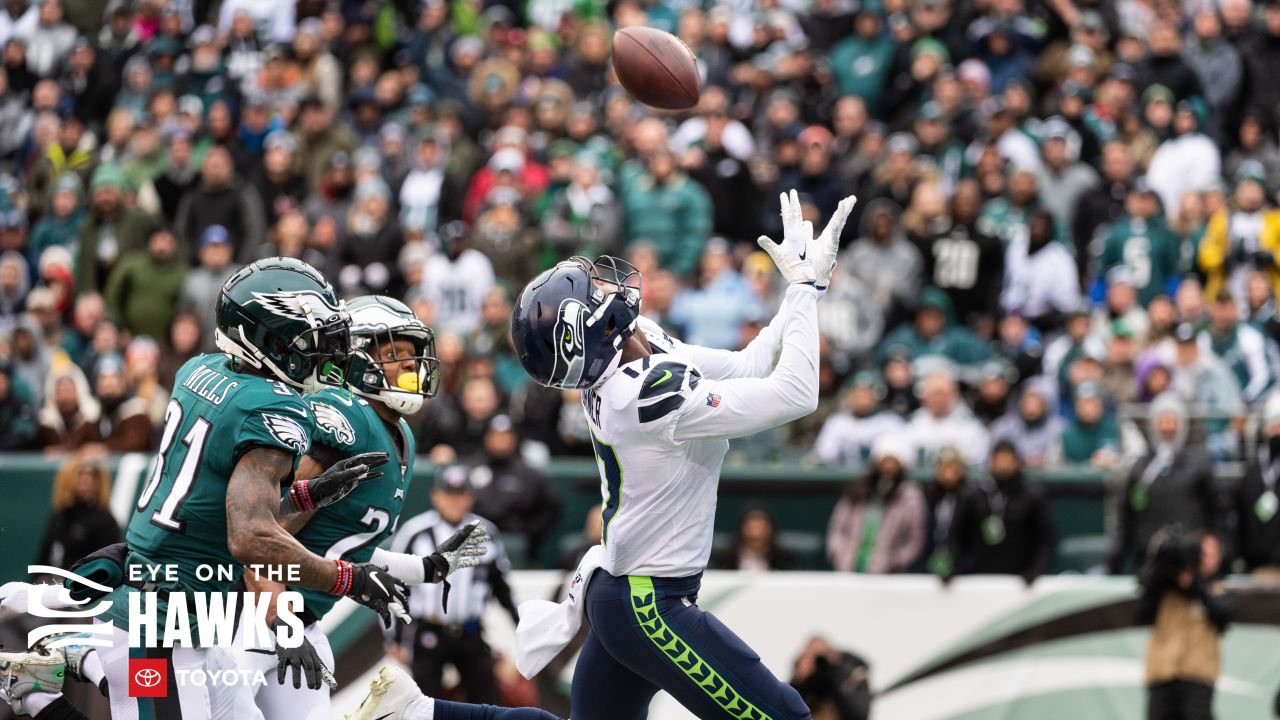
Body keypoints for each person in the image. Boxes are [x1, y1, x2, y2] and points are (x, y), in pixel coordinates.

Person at [0, 258, 412, 720]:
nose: (322, 353)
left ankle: (74, 654)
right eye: (309, 338)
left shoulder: (202, 368)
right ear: (269, 337)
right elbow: (250, 537)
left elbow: (222, 503)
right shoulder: (272, 408)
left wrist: (307, 496)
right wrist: (347, 577)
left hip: (183, 606)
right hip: (163, 624)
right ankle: (37, 692)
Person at [503, 190, 854, 720]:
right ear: (589, 332)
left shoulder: (635, 346)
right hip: (649, 604)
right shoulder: (642, 395)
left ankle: (420, 712)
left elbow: (749, 365)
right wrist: (803, 293)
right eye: (594, 292)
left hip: (626, 593)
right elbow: (797, 393)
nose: (608, 286)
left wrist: (804, 290)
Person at [233, 295, 490, 719]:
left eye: (412, 356)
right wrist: (279, 619)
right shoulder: (346, 417)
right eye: (394, 354)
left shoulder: (401, 436)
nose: (410, 367)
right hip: (240, 613)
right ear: (354, 359)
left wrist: (428, 569)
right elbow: (259, 532)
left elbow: (346, 549)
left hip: (298, 621)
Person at [390, 465, 518, 705]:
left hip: (471, 632)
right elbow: (394, 587)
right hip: (428, 631)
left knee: (487, 704)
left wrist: (521, 631)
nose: (454, 501)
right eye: (449, 494)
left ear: (470, 497)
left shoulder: (486, 532)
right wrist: (394, 638)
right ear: (435, 496)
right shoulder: (415, 532)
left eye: (461, 495)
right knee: (426, 707)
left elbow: (503, 586)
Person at [1109, 393, 1228, 574]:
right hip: (1149, 558)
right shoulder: (1140, 467)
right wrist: (1119, 556)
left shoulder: (1199, 463)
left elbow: (1217, 509)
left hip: (1190, 559)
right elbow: (1127, 513)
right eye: (1162, 420)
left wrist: (1215, 544)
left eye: (1172, 420)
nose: (1167, 426)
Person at [1139, 527, 1231, 720]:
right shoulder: (1164, 588)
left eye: (1211, 554)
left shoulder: (1218, 589)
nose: (1204, 559)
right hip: (1162, 674)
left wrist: (1194, 584)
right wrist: (1159, 570)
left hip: (1198, 676)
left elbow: (1223, 616)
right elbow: (1142, 614)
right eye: (1202, 553)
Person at [951, 441, 1054, 584]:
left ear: (1017, 462)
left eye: (1007, 461)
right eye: (998, 460)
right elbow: (958, 534)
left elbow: (1045, 539)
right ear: (990, 462)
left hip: (1020, 576)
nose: (1003, 466)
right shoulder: (974, 495)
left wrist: (1035, 570)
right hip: (978, 575)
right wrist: (955, 567)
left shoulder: (1033, 496)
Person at [469, 414, 562, 566]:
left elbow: (551, 508)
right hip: (476, 542)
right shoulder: (471, 468)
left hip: (516, 542)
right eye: (495, 435)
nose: (500, 440)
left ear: (514, 438)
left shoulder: (529, 474)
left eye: (505, 436)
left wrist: (528, 534)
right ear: (486, 437)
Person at [825, 434, 926, 574]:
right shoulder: (857, 489)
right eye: (885, 461)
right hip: (848, 569)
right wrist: (841, 556)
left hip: (888, 575)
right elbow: (838, 528)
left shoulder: (911, 497)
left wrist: (892, 562)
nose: (888, 467)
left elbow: (914, 540)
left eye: (893, 462)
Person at [34, 455, 120, 570]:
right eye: (81, 478)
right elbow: (44, 556)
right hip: (58, 579)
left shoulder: (105, 520)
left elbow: (110, 564)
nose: (87, 484)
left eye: (91, 478)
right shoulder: (59, 516)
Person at [812, 370, 905, 466]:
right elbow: (823, 456)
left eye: (866, 394)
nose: (862, 400)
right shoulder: (837, 422)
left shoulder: (891, 422)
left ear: (877, 396)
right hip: (843, 477)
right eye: (858, 394)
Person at [1236, 393, 1280, 577]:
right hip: (1258, 567)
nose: (1276, 429)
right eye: (1273, 423)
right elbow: (1242, 514)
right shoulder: (1254, 470)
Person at [789, 636, 872, 720]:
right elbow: (788, 710)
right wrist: (799, 681)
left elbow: (858, 715)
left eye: (821, 658)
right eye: (811, 659)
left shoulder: (852, 678)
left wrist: (833, 676)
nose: (818, 665)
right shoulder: (800, 682)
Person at [711, 507, 800, 571]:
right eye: (750, 528)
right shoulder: (722, 561)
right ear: (741, 531)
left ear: (771, 531)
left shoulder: (786, 561)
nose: (756, 534)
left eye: (762, 528)